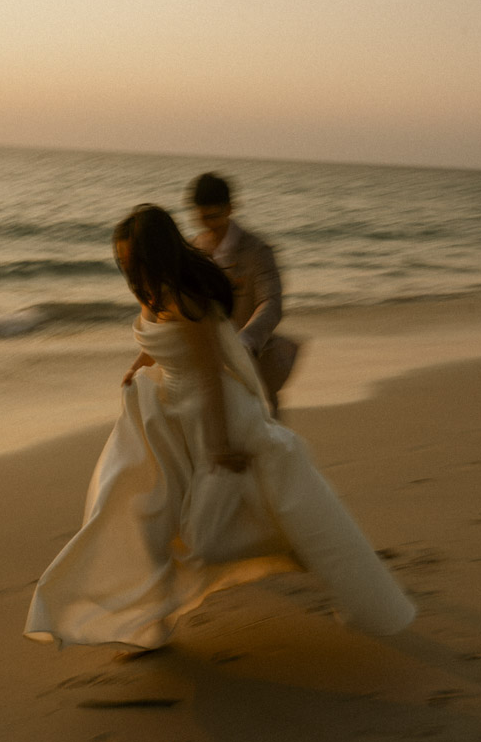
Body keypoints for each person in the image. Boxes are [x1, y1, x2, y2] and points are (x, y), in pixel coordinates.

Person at [24, 204, 415, 651]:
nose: (128, 268)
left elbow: (209, 376)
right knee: (136, 508)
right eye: (123, 259)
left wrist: (218, 446)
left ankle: (300, 558)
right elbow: (159, 341)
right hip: (164, 414)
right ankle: (147, 624)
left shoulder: (187, 300)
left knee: (236, 522)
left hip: (206, 412)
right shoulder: (152, 289)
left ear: (156, 253)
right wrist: (138, 364)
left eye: (133, 258)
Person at [189, 172, 298, 416]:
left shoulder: (258, 252)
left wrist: (245, 341)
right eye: (203, 217)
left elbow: (271, 303)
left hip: (252, 370)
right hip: (207, 374)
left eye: (214, 216)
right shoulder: (193, 249)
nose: (209, 224)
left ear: (230, 208)